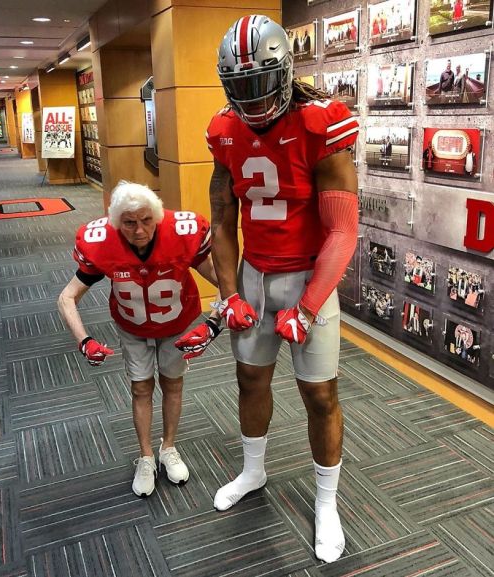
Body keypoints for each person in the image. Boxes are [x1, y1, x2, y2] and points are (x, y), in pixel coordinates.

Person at [207, 14, 359, 564]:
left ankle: (326, 503)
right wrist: (229, 294)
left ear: (284, 70)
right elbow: (222, 220)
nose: (249, 100)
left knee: (319, 394)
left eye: (258, 84)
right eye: (238, 87)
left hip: (307, 275)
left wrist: (311, 304)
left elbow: (343, 229)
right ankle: (253, 470)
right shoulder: (225, 131)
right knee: (250, 379)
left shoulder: (322, 124)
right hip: (255, 271)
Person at [57, 181, 221, 498]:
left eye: (146, 220)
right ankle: (146, 455)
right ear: (117, 222)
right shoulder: (101, 242)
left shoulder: (182, 234)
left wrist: (213, 325)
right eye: (130, 223)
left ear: (157, 217)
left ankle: (168, 447)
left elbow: (229, 284)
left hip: (176, 323)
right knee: (140, 387)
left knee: (173, 383)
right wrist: (84, 340)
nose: (140, 230)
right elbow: (66, 298)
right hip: (132, 325)